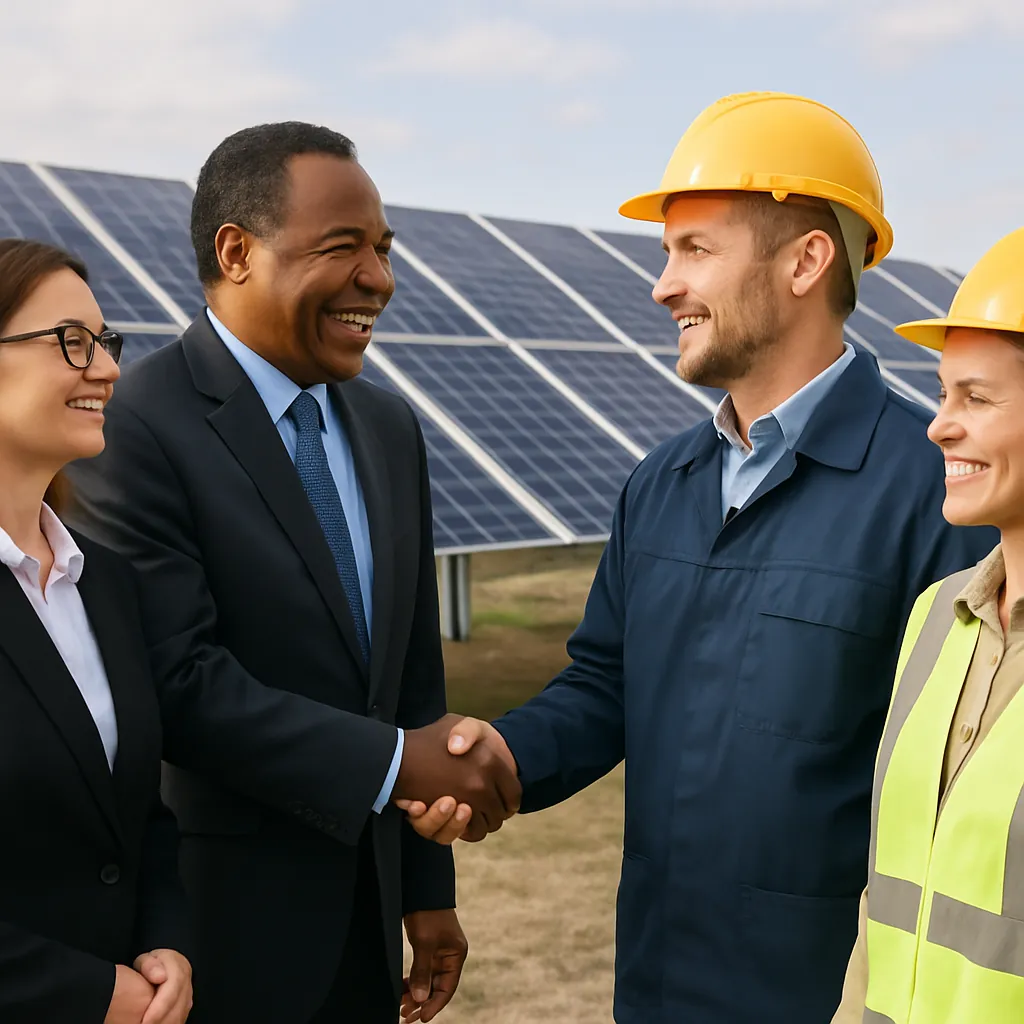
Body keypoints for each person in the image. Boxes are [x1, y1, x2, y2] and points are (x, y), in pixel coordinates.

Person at [398, 93, 998, 1023]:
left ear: (806, 260)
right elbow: (606, 687)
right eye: (665, 253)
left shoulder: (936, 495)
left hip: (829, 996)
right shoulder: (660, 485)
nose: (663, 286)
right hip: (659, 983)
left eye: (695, 250)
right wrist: (505, 756)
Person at [66, 123, 519, 1024]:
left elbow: (409, 675)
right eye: (344, 247)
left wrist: (427, 889)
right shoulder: (137, 424)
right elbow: (178, 681)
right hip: (219, 941)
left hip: (369, 917)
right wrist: (394, 764)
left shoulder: (390, 428)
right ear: (237, 252)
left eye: (384, 251)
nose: (380, 279)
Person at [829, 225, 1024, 1022]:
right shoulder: (937, 618)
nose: (940, 425)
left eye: (975, 399)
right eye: (944, 395)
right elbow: (887, 904)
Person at [0, 238, 191, 1023]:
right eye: (71, 342)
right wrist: (88, 993)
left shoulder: (104, 582)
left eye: (105, 343)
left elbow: (138, 815)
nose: (108, 369)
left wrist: (165, 941)